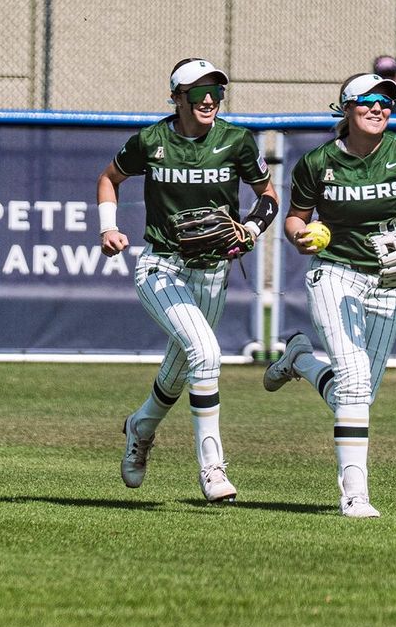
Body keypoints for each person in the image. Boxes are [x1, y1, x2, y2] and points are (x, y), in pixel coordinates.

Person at [262, 73, 396, 518]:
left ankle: (301, 361)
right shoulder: (317, 162)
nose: (378, 109)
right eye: (368, 101)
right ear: (346, 109)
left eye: (386, 102)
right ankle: (355, 494)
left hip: (389, 280)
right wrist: (299, 237)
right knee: (352, 378)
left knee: (358, 395)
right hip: (335, 273)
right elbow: (296, 219)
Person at [97, 58, 279, 502]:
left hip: (213, 271)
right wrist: (108, 227)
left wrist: (251, 229)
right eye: (198, 92)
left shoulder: (236, 140)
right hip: (161, 264)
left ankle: (140, 427)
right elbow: (109, 178)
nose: (210, 100)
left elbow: (269, 196)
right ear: (177, 97)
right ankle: (212, 468)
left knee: (182, 368)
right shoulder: (151, 141)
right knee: (206, 352)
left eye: (216, 90)